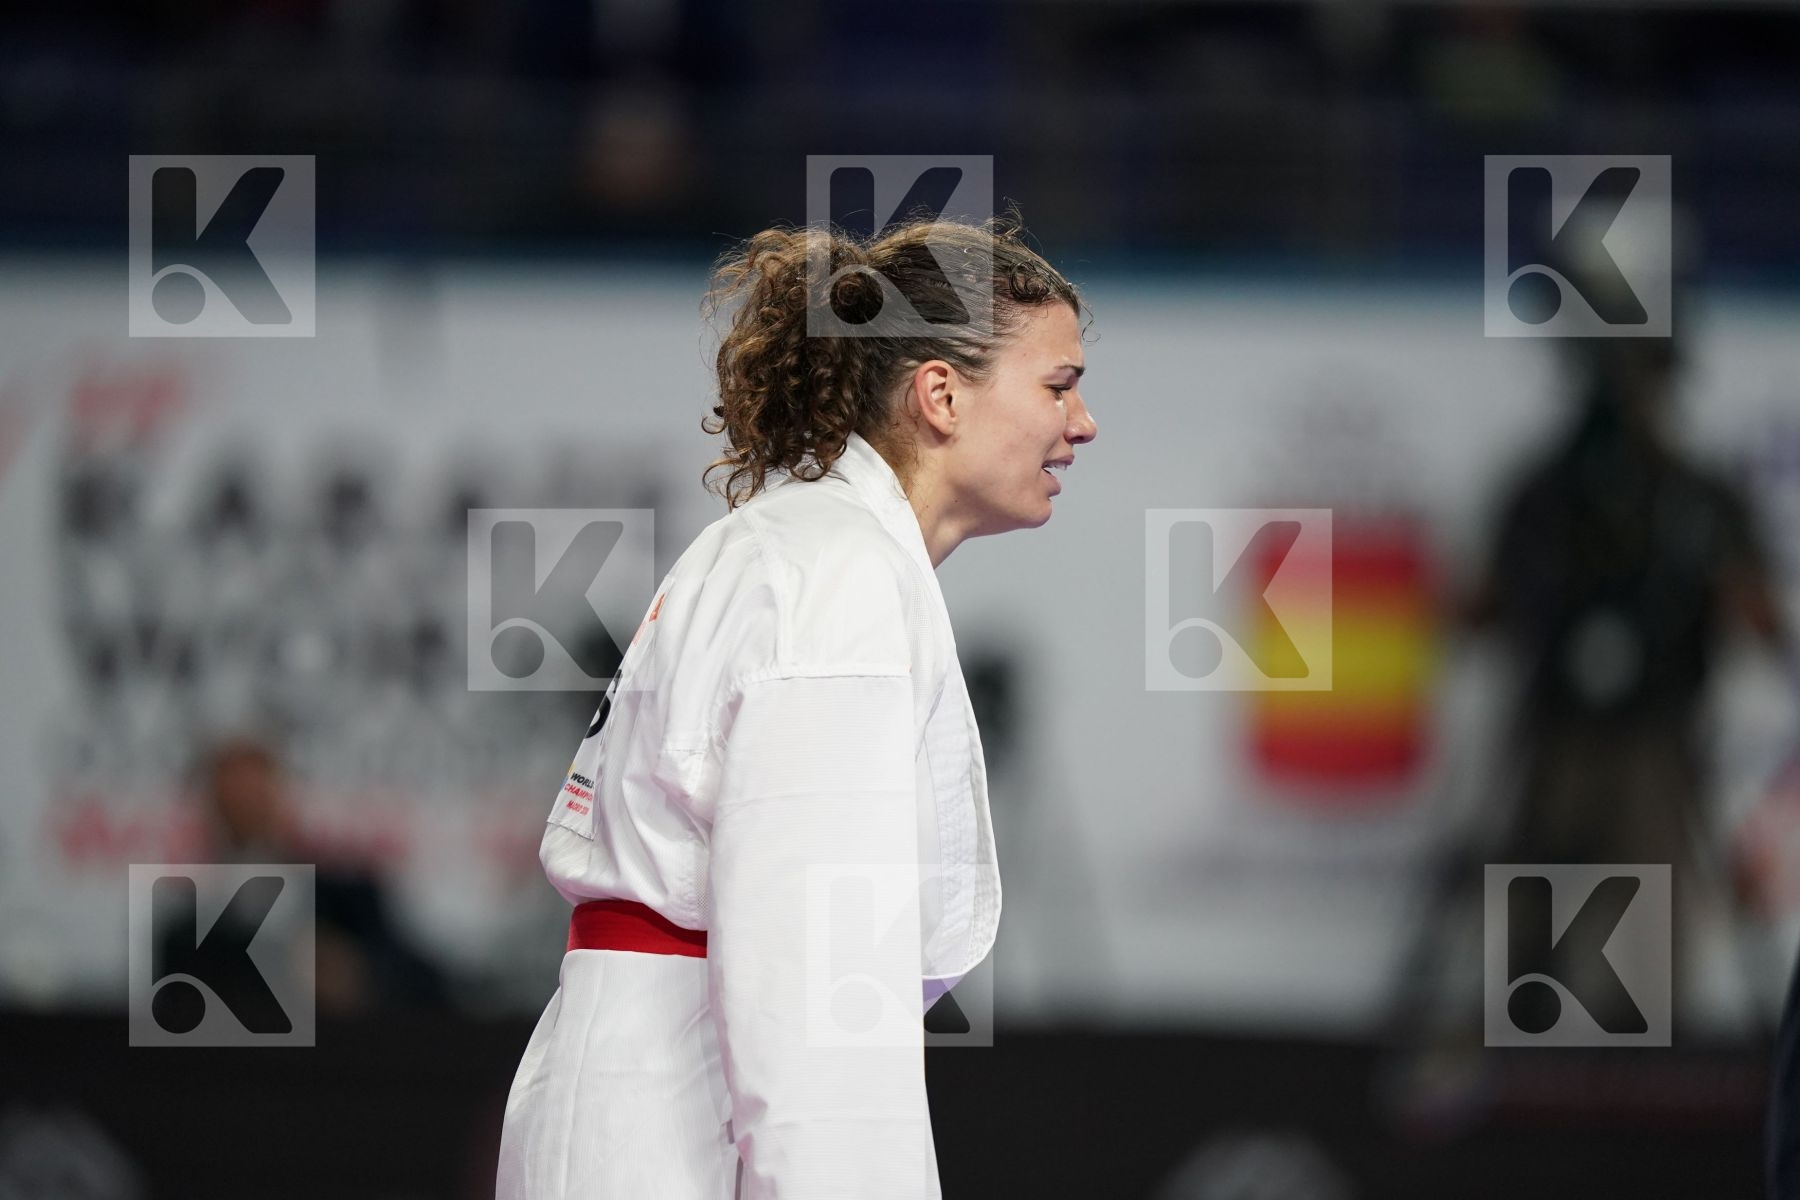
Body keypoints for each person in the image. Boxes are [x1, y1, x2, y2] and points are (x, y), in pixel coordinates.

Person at [495, 215, 1096, 1200]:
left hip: (652, 1092)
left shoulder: (810, 549)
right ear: (940, 394)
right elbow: (817, 962)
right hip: (679, 1119)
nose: (1083, 423)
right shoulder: (838, 575)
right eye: (1058, 386)